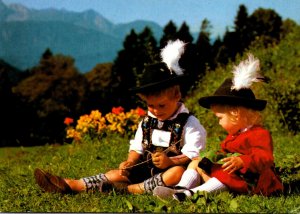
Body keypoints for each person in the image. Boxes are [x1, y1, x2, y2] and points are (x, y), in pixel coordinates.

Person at [34, 40, 206, 195]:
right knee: (115, 174)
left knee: (176, 173)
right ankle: (71, 184)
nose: (155, 110)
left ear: (177, 96)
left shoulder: (188, 123)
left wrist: (170, 161)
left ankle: (131, 190)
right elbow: (137, 147)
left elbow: (192, 154)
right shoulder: (147, 121)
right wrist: (130, 161)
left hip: (170, 172)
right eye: (150, 105)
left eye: (161, 105)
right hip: (144, 169)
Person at [153, 54, 284, 201]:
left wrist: (243, 161)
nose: (219, 123)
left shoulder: (259, 134)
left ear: (235, 114)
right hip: (234, 175)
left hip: (252, 180)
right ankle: (180, 188)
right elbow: (224, 153)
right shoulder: (235, 134)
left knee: (226, 175)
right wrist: (210, 157)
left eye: (220, 118)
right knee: (196, 163)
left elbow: (265, 158)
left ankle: (191, 195)